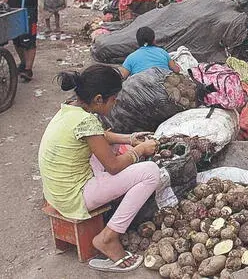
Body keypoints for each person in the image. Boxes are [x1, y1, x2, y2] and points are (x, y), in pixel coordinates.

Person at [38, 64, 160, 272]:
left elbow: (98, 137)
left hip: (56, 191)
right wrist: (140, 150)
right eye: (113, 99)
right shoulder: (86, 121)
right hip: (73, 197)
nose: (116, 103)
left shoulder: (70, 110)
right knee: (151, 173)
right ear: (98, 99)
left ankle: (110, 208)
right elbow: (112, 166)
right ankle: (108, 238)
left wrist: (129, 139)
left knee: (110, 146)